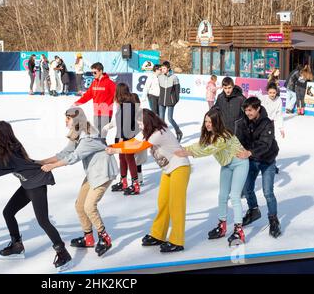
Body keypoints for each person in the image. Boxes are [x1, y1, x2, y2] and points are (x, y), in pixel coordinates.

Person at [0, 121, 73, 271]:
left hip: (37, 183)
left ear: (1, 135)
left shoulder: (9, 154)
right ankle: (17, 245)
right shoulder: (5, 148)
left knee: (43, 220)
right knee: (8, 212)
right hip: (27, 183)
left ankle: (63, 253)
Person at [106, 109, 191, 253]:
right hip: (169, 169)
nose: (139, 126)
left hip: (180, 167)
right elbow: (133, 142)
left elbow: (138, 147)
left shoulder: (159, 133)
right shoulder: (149, 132)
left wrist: (115, 151)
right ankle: (158, 235)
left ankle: (177, 240)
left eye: (140, 123)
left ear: (148, 122)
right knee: (163, 202)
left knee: (176, 204)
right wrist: (112, 146)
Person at [38, 107, 119, 257]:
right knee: (80, 205)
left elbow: (74, 157)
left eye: (67, 119)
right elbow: (64, 153)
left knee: (89, 206)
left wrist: (52, 167)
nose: (65, 122)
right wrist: (40, 161)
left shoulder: (88, 136)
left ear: (75, 119)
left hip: (103, 172)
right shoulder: (78, 132)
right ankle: (88, 237)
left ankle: (104, 238)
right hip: (93, 173)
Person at [175, 109, 249, 246]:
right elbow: (200, 145)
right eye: (206, 121)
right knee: (222, 196)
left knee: (234, 196)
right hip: (227, 165)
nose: (208, 124)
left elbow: (208, 150)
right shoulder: (210, 134)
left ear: (217, 122)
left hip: (240, 163)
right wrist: (182, 148)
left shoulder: (224, 136)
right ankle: (222, 225)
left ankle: (239, 230)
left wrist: (188, 153)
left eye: (211, 122)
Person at [235, 97, 281, 238]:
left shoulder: (267, 123)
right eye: (245, 110)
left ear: (258, 109)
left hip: (267, 160)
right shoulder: (242, 123)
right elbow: (238, 141)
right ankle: (253, 210)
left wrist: (249, 152)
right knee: (247, 188)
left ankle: (273, 219)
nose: (247, 113)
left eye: (250, 110)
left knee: (268, 192)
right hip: (252, 160)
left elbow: (265, 144)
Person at [105, 84, 141, 195]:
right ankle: (123, 181)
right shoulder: (122, 105)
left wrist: (121, 138)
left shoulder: (128, 105)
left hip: (126, 137)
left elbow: (126, 124)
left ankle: (135, 185)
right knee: (122, 159)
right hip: (120, 136)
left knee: (129, 159)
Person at [74, 62, 117, 140]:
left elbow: (117, 95)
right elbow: (87, 95)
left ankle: (103, 151)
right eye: (92, 72)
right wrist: (77, 103)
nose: (93, 74)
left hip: (106, 113)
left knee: (102, 136)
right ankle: (98, 151)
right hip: (96, 113)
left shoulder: (109, 83)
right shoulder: (94, 83)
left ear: (100, 71)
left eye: (95, 72)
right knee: (96, 135)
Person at [158, 61, 183, 142]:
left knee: (170, 118)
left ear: (168, 68)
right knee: (161, 120)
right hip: (162, 101)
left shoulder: (174, 77)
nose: (162, 69)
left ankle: (178, 132)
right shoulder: (160, 77)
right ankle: (163, 136)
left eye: (164, 68)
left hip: (170, 101)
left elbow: (177, 90)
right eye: (162, 68)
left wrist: (175, 100)